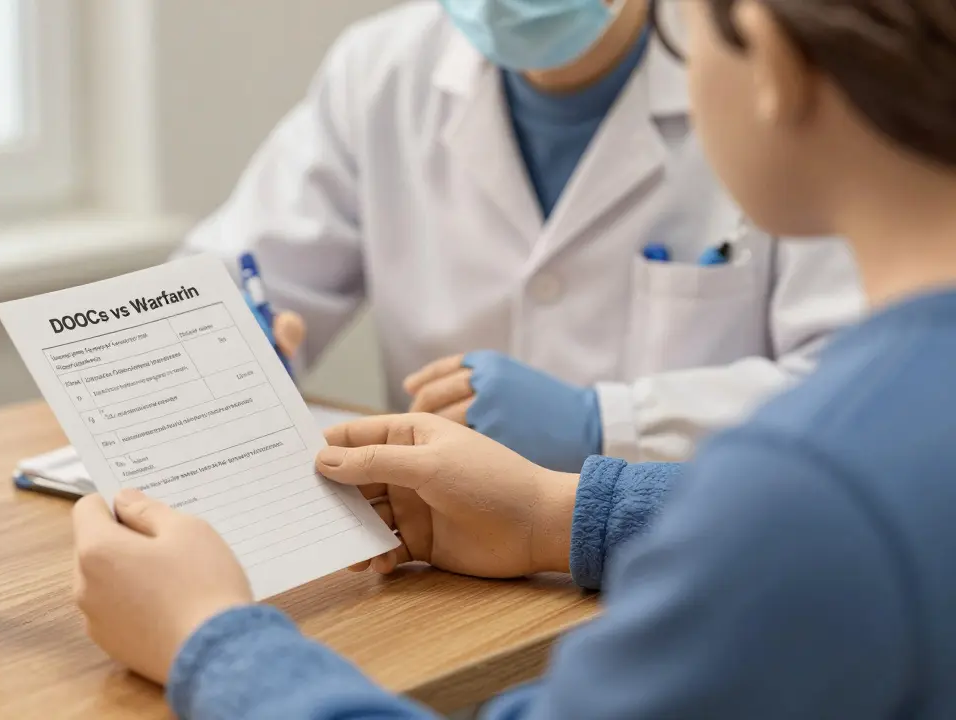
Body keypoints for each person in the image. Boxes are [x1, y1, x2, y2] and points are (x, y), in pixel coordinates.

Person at [74, 0, 956, 717]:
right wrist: (558, 511)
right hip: (454, 577)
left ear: (770, 62)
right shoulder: (384, 69)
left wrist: (207, 632)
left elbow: (789, 511)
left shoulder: (805, 494)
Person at [176, 0, 862, 471]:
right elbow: (232, 274)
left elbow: (864, 389)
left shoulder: (771, 74)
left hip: (692, 560)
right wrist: (224, 342)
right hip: (442, 575)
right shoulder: (382, 69)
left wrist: (608, 424)